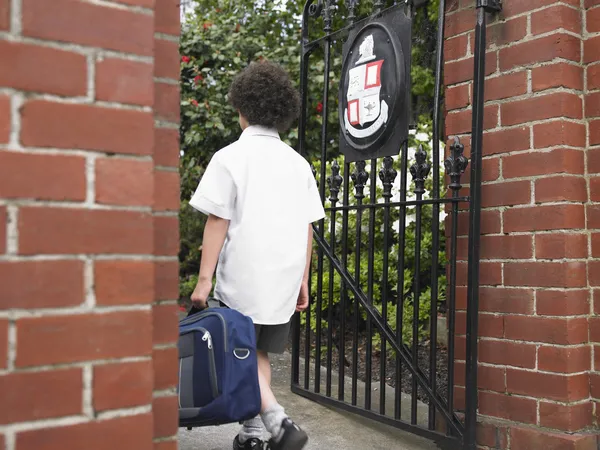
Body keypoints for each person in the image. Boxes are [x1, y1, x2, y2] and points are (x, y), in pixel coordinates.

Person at [188, 60, 325, 450]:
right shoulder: (298, 164)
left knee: (240, 353)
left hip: (244, 276)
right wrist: (302, 278)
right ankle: (251, 435)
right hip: (282, 276)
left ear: (241, 108)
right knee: (256, 352)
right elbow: (307, 226)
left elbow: (218, 220)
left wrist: (203, 282)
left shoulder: (230, 157)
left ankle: (279, 422)